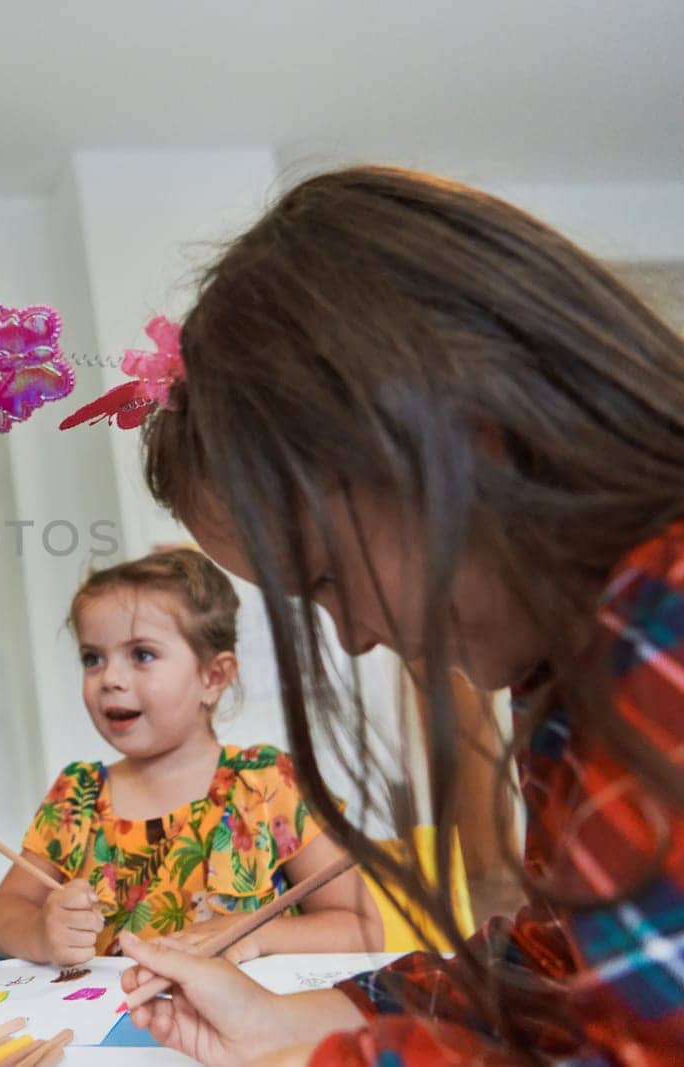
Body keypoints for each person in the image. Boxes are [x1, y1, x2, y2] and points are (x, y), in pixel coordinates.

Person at [116, 166, 684, 1065]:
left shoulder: (665, 628)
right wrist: (302, 1019)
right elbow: (558, 969)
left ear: (465, 439)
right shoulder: (562, 676)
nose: (353, 637)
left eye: (330, 577)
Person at [0, 549, 378, 967]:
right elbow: (2, 917)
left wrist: (256, 933)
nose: (110, 679)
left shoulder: (267, 782)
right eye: (92, 658)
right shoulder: (76, 794)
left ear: (213, 677)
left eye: (142, 655)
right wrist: (41, 933)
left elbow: (363, 928)